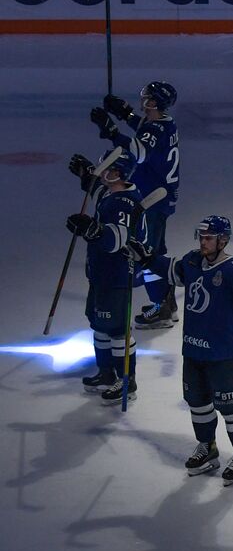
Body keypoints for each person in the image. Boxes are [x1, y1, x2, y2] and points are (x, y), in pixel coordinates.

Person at [144, 216, 233, 484]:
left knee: (232, 409)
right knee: (198, 404)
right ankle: (208, 447)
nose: (203, 242)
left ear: (223, 240)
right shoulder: (192, 262)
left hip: (224, 355)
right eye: (201, 237)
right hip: (193, 350)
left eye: (209, 238)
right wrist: (147, 257)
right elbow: (172, 271)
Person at [93, 82, 181, 329]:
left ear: (154, 102)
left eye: (147, 98)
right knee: (155, 250)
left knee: (147, 253)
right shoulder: (166, 123)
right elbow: (145, 132)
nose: (143, 101)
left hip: (153, 198)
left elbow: (139, 152)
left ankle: (161, 307)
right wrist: (125, 114)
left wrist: (112, 131)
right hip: (162, 196)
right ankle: (166, 301)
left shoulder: (156, 129)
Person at [65, 151, 147, 404]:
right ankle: (105, 371)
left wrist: (92, 230)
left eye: (106, 170)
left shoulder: (124, 203)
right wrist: (86, 175)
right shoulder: (112, 193)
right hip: (101, 273)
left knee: (117, 329)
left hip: (117, 275)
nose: (102, 172)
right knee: (99, 324)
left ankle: (126, 379)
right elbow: (96, 190)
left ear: (119, 174)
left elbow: (118, 239)